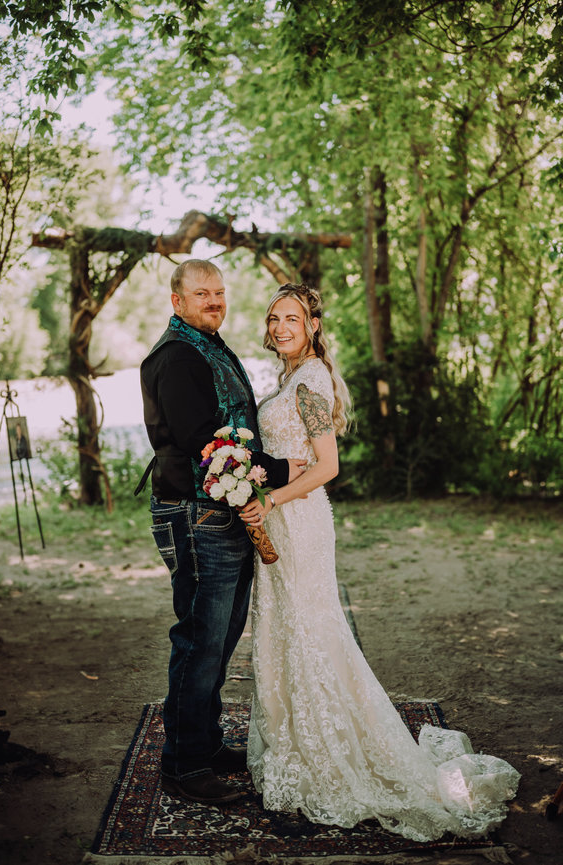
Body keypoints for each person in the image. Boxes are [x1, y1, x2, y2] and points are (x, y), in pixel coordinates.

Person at [240, 283, 520, 841]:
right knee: (286, 631)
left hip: (300, 522)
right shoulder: (292, 377)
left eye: (291, 318)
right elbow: (296, 457)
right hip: (282, 520)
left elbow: (327, 467)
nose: (279, 327)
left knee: (309, 632)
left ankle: (323, 756)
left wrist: (268, 497)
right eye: (273, 319)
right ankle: (293, 743)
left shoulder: (313, 379)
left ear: (313, 325)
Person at [138, 260, 305, 806]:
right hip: (194, 514)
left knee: (222, 636)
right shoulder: (177, 356)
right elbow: (202, 441)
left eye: (219, 291)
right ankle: (183, 766)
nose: (213, 300)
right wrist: (280, 470)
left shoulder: (207, 344)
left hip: (222, 509)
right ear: (176, 301)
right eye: (200, 293)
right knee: (200, 638)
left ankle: (204, 746)